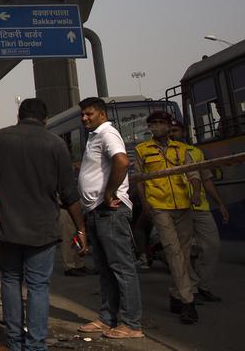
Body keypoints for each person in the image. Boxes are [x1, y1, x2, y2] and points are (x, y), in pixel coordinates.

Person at [0, 98, 88, 351]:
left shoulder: (1, 138)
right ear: (44, 119)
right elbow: (69, 193)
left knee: (10, 280)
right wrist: (80, 228)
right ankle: (35, 345)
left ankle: (14, 342)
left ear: (19, 116)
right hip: (42, 228)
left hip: (8, 226)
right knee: (38, 286)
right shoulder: (55, 144)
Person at [74, 97, 144, 339]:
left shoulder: (107, 133)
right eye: (82, 114)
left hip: (111, 212)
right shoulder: (95, 136)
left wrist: (110, 191)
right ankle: (107, 318)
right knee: (105, 269)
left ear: (102, 114)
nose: (84, 118)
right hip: (97, 211)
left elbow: (122, 161)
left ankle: (131, 323)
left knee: (122, 268)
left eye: (89, 114)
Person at [134, 110, 202, 325]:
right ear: (149, 128)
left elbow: (193, 174)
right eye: (153, 123)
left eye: (161, 123)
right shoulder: (142, 150)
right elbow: (140, 180)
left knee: (183, 252)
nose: (157, 126)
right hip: (159, 206)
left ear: (168, 125)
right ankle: (188, 302)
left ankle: (175, 293)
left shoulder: (181, 149)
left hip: (183, 205)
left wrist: (197, 193)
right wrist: (145, 205)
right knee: (173, 252)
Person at [170, 119, 228, 303]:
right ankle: (190, 289)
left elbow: (207, 180)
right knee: (183, 252)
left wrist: (219, 203)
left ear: (184, 132)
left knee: (212, 246)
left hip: (201, 207)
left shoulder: (196, 153)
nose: (173, 134)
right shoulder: (165, 154)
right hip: (177, 208)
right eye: (170, 131)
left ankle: (203, 285)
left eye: (176, 130)